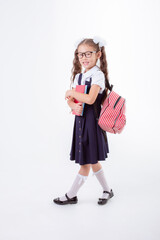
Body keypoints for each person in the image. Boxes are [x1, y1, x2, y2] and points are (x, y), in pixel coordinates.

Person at [53, 37, 114, 205]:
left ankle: (71, 195)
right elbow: (71, 100)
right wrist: (72, 104)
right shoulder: (79, 76)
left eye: (88, 54)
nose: (84, 58)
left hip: (92, 124)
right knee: (92, 160)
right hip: (80, 124)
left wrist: (70, 92)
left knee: (86, 163)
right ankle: (108, 190)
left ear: (98, 54)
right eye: (80, 55)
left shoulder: (98, 76)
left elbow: (90, 98)